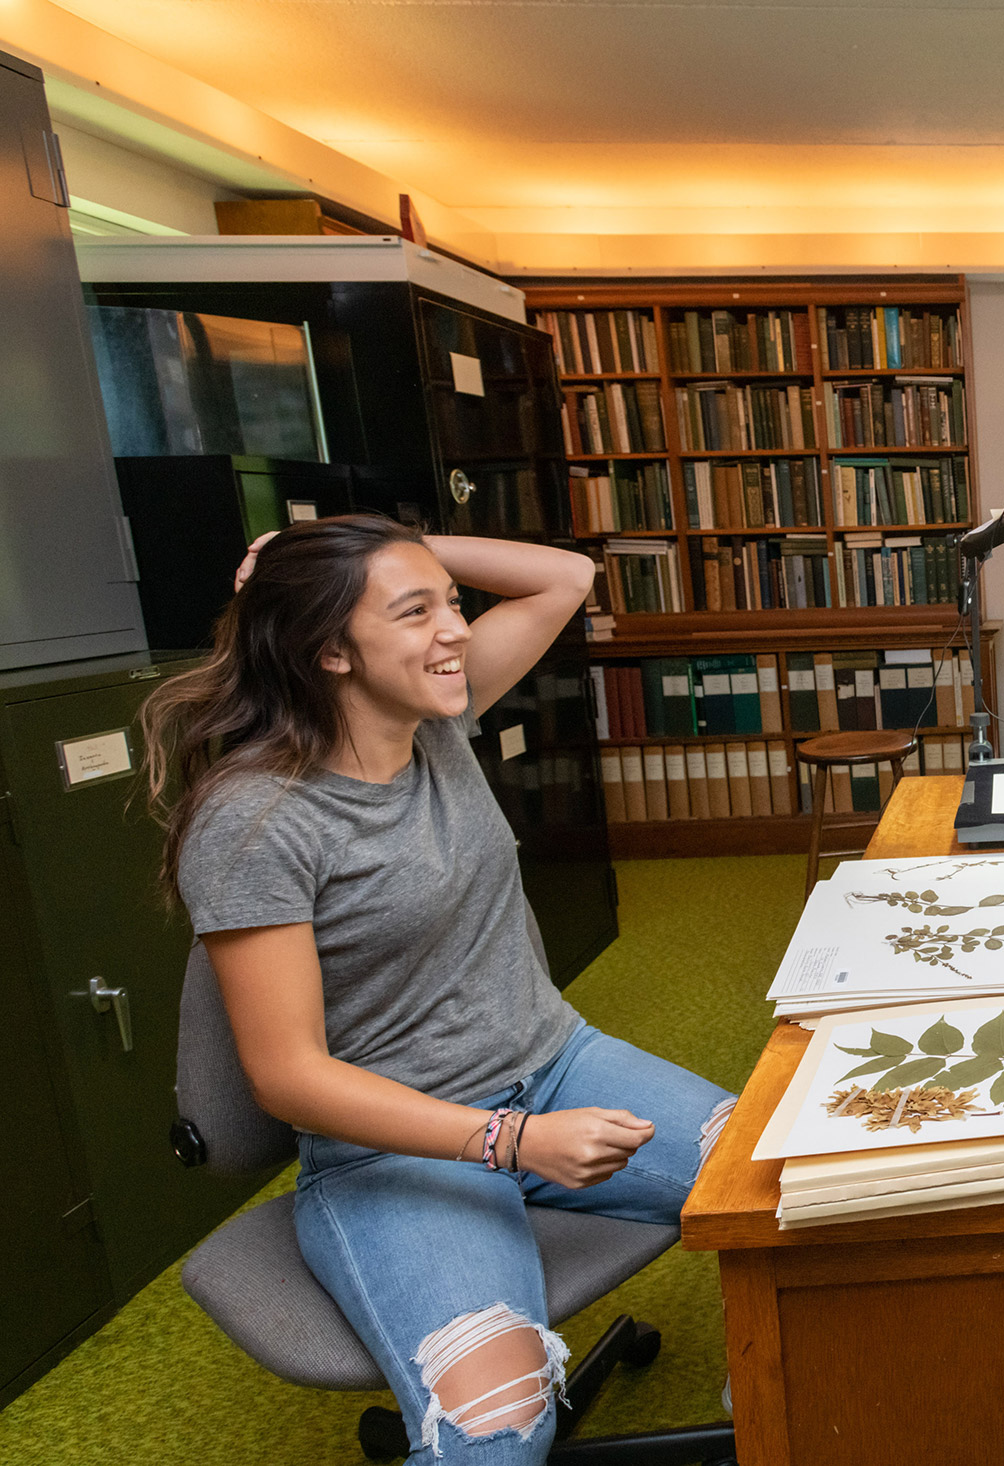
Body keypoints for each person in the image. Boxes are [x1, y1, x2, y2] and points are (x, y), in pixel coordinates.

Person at [142, 517, 737, 1463]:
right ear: (328, 649)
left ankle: (790, 1397)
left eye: (453, 605)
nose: (454, 629)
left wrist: (385, 545)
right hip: (390, 1146)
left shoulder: (437, 724)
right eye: (416, 613)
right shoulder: (253, 822)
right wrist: (512, 1142)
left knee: (798, 1194)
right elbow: (287, 1077)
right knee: (497, 1421)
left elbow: (564, 577)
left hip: (554, 1065)